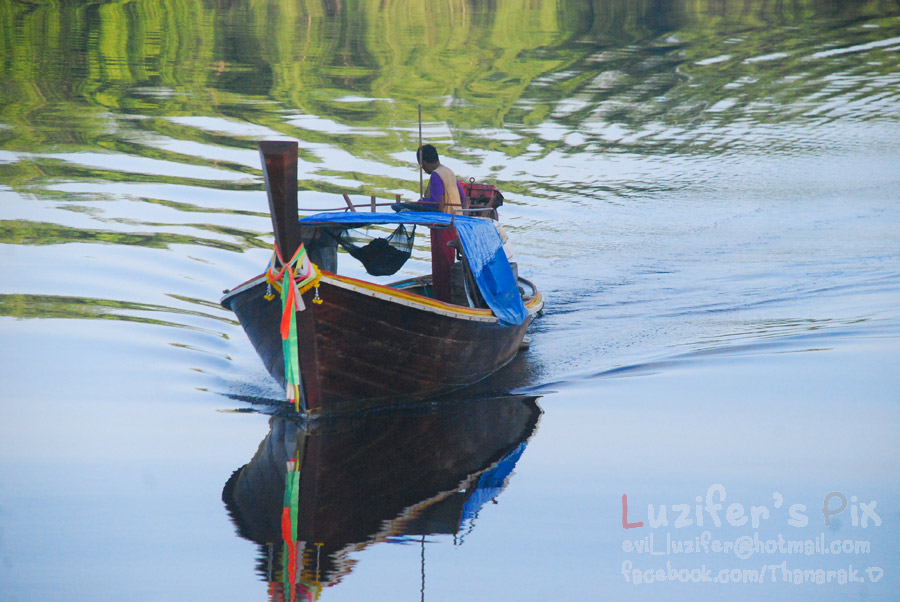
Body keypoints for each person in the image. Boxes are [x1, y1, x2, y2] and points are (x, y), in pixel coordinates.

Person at [416, 144, 466, 302]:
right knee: (448, 262)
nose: (422, 169)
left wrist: (421, 202)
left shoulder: (436, 175)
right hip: (454, 224)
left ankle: (443, 300)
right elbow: (463, 198)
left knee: (441, 267)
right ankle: (448, 297)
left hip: (442, 227)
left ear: (424, 162)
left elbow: (436, 202)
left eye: (421, 165)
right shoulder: (448, 171)